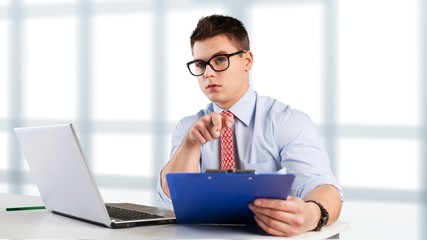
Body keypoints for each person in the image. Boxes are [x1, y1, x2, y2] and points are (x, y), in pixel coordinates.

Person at [157, 14, 343, 237]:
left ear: (247, 61)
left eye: (219, 60)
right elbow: (171, 200)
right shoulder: (189, 128)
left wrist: (311, 215)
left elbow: (323, 187)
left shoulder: (286, 121)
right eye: (200, 64)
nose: (208, 72)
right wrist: (190, 143)